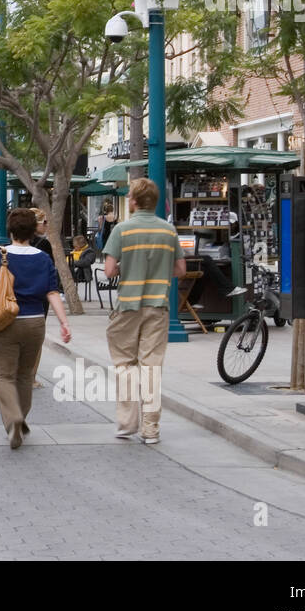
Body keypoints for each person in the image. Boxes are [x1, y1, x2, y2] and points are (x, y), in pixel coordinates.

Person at [0, 208, 73, 449]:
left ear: (10, 230)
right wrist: (63, 322)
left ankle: (12, 419)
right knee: (25, 376)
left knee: (5, 376)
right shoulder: (43, 257)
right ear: (32, 230)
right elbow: (52, 292)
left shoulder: (0, 255)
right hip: (35, 322)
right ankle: (21, 417)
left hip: (5, 322)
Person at [102, 177, 186, 445]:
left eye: (129, 196)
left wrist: (128, 268)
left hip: (128, 305)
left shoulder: (122, 231)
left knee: (125, 364)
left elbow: (109, 271)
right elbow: (180, 270)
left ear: (135, 202)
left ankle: (127, 422)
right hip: (158, 305)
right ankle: (151, 428)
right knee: (151, 366)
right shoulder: (168, 231)